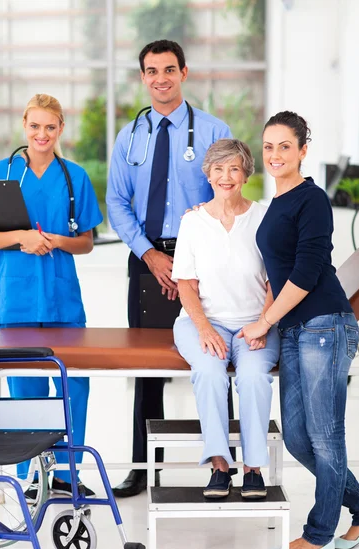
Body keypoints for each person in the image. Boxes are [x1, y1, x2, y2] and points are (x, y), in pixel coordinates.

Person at [239, 110, 359, 549]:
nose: (275, 154)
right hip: (295, 328)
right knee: (299, 437)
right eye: (269, 146)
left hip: (325, 323)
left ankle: (319, 534)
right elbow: (273, 276)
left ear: (303, 150)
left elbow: (303, 275)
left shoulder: (312, 199)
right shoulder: (274, 204)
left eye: (285, 146)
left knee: (326, 435)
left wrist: (263, 323)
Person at [106, 39, 235, 498]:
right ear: (143, 77)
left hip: (202, 261)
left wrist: (187, 258)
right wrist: (149, 253)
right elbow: (117, 203)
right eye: (151, 70)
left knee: (219, 357)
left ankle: (223, 464)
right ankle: (144, 468)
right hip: (147, 261)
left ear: (184, 72)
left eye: (168, 69)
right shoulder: (130, 136)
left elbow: (228, 198)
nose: (160, 78)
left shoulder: (215, 131)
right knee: (147, 366)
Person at [0, 93, 103, 501]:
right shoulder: (0, 174)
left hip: (62, 300)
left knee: (74, 384)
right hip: (16, 298)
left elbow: (87, 242)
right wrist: (22, 237)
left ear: (60, 129)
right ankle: (31, 474)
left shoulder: (75, 176)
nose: (42, 134)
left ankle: (67, 472)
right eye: (35, 126)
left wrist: (58, 241)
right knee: (25, 389)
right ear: (24, 126)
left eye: (50, 127)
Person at [172, 139, 279, 498]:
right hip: (202, 320)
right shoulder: (193, 221)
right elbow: (185, 284)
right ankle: (219, 464)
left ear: (246, 173)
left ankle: (253, 468)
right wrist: (203, 328)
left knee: (251, 376)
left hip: (256, 321)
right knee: (209, 371)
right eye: (218, 169)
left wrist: (263, 322)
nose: (226, 176)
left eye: (234, 168)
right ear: (208, 174)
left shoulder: (264, 217)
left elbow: (274, 281)